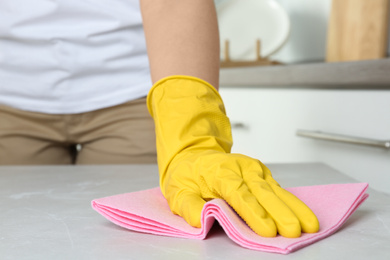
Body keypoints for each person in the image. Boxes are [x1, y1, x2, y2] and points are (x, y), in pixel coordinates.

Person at [0, 0, 319, 238]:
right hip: (9, 96)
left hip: (133, 94)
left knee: (129, 236)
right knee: (18, 230)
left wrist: (191, 139)